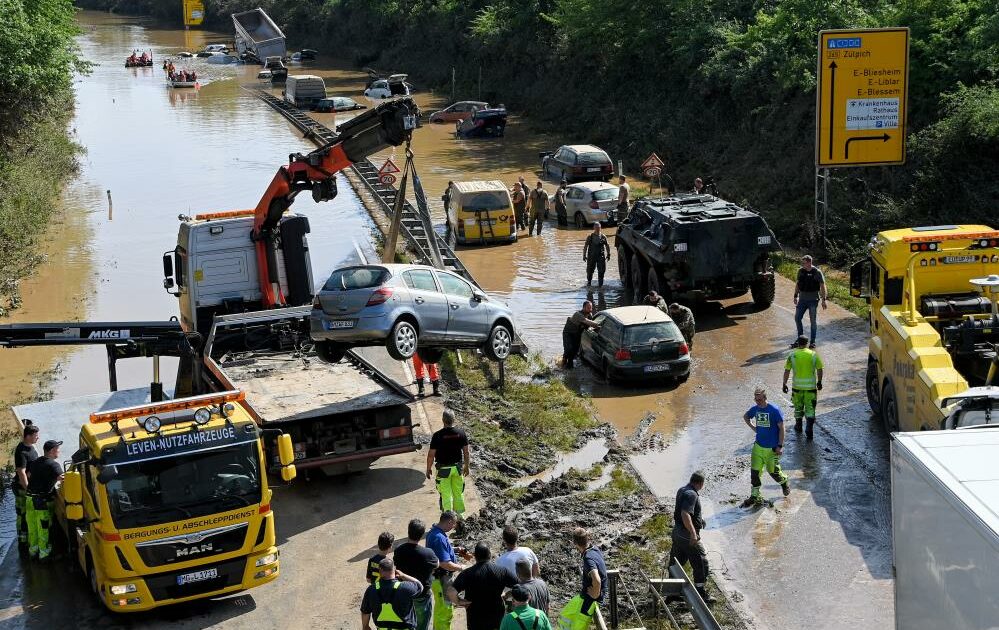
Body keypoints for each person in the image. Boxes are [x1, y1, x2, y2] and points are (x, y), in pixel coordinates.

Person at [448, 542, 519, 630]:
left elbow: (451, 592)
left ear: (475, 556)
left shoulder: (467, 573)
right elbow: (519, 586)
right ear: (489, 554)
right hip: (496, 616)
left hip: (475, 618)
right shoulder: (502, 571)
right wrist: (507, 595)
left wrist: (459, 602)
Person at [668, 472, 714, 604]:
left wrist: (700, 520)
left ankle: (672, 592)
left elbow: (686, 511)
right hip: (686, 535)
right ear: (701, 484)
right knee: (701, 561)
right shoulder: (692, 494)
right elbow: (685, 514)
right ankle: (701, 593)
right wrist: (693, 533)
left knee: (676, 563)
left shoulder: (682, 490)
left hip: (677, 532)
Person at [741, 389, 790, 507]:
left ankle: (784, 483)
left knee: (774, 472)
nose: (757, 402)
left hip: (772, 449)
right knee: (755, 472)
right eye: (756, 399)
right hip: (758, 447)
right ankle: (754, 496)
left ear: (765, 398)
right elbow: (746, 417)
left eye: (760, 399)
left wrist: (780, 445)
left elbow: (782, 428)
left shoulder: (774, 410)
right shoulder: (755, 409)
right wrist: (754, 428)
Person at [427, 511, 470, 630]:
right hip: (442, 579)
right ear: (450, 521)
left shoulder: (435, 532)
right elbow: (445, 564)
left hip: (438, 579)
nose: (454, 527)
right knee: (445, 611)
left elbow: (442, 550)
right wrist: (462, 567)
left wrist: (455, 549)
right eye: (454, 524)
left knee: (441, 608)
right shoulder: (439, 538)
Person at [395, 519, 440, 630]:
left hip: (404, 594)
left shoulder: (399, 550)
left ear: (408, 531)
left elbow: (396, 563)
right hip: (421, 596)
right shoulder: (428, 553)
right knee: (422, 625)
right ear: (421, 535)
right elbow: (437, 564)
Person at [557, 528, 607, 630]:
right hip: (587, 596)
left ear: (574, 543)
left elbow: (597, 579)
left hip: (591, 600)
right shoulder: (594, 549)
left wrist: (595, 594)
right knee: (565, 615)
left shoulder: (588, 558)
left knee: (578, 625)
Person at [361, 557, 424, 630]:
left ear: (380, 571)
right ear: (394, 569)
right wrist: (403, 575)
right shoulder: (406, 588)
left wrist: (365, 626)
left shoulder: (371, 590)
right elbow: (420, 586)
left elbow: (365, 611)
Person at [427, 410, 470, 515]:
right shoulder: (461, 433)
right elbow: (466, 452)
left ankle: (448, 519)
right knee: (458, 494)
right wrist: (466, 466)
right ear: (454, 420)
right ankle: (460, 518)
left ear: (443, 420)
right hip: (457, 469)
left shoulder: (437, 436)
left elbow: (431, 455)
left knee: (446, 495)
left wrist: (428, 469)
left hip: (443, 471)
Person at [26, 439, 62, 560]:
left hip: (29, 499)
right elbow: (62, 478)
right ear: (52, 451)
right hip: (41, 502)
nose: (59, 451)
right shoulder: (53, 464)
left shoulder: (36, 462)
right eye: (57, 449)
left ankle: (33, 551)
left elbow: (29, 475)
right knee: (44, 528)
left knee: (32, 527)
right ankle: (44, 554)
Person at [783, 336, 825, 440]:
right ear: (807, 343)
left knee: (798, 407)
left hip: (797, 388)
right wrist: (819, 382)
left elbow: (787, 371)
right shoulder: (813, 354)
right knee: (810, 408)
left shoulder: (792, 355)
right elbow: (819, 369)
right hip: (810, 388)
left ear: (797, 343)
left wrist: (784, 383)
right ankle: (809, 427)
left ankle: (798, 426)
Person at [12, 421, 39, 548]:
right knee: (22, 514)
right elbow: (21, 472)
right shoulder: (21, 451)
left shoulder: (31, 447)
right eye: (35, 436)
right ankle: (22, 541)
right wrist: (27, 489)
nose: (37, 438)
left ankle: (28, 536)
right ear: (28, 436)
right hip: (22, 489)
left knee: (29, 513)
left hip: (30, 486)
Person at [793, 255, 827, 348]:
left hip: (813, 300)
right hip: (802, 299)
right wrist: (795, 296)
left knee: (813, 321)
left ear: (809, 262)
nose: (802, 265)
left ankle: (812, 342)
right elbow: (798, 284)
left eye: (803, 263)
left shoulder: (817, 272)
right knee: (797, 318)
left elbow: (823, 286)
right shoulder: (800, 271)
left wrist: (824, 300)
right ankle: (800, 339)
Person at [561, 300, 601, 369]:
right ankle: (564, 360)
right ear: (584, 308)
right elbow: (589, 322)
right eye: (588, 308)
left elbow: (591, 326)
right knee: (568, 349)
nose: (590, 309)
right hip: (568, 333)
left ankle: (569, 369)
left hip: (577, 335)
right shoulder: (577, 314)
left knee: (574, 353)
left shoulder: (590, 315)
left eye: (591, 308)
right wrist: (599, 326)